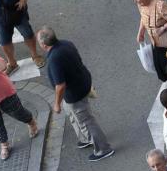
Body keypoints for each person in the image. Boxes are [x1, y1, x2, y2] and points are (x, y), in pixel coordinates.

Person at [37, 26, 114, 162]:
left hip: (74, 93)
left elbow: (60, 86)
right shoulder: (66, 43)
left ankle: (103, 148)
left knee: (86, 121)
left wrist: (56, 104)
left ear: (43, 45)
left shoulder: (54, 59)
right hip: (82, 83)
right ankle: (85, 138)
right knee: (73, 114)